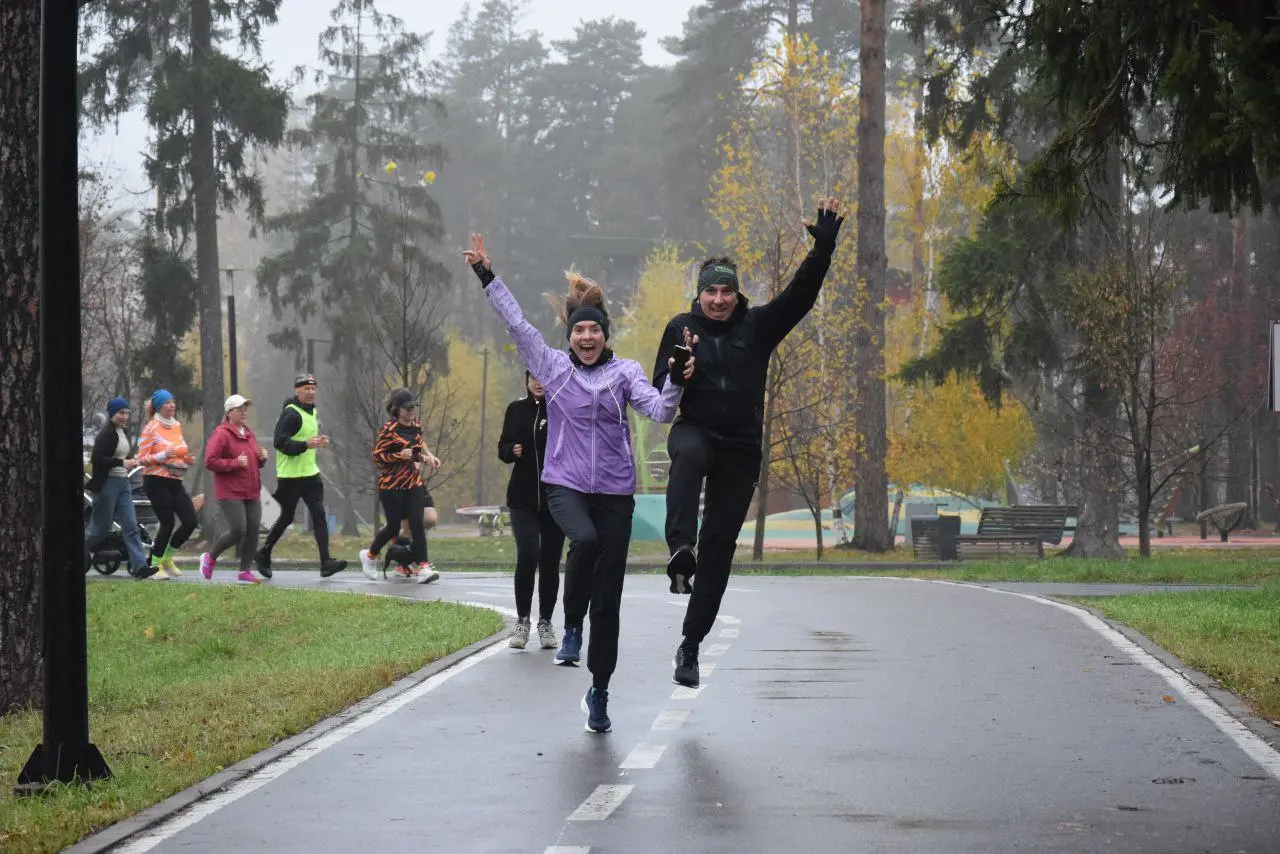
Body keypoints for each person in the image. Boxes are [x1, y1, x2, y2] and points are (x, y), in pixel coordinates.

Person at [464, 232, 695, 734]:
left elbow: (660, 411)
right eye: (579, 331)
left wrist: (676, 378)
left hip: (615, 495)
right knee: (583, 542)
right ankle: (570, 625)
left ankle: (599, 692)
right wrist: (486, 274)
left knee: (608, 604)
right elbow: (516, 323)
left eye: (594, 330)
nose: (586, 338)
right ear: (569, 335)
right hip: (564, 485)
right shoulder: (551, 367)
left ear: (605, 335)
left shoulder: (626, 373)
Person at [652, 199, 845, 689]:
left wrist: (822, 250)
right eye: (710, 291)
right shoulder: (680, 328)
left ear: (737, 294)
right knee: (688, 454)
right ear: (699, 294)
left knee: (719, 548)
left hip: (740, 447)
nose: (718, 300)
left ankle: (690, 645)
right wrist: (678, 371)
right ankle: (680, 549)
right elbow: (660, 388)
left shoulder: (756, 327)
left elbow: (799, 298)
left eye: (726, 291)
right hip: (696, 429)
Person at [255, 374, 348, 578]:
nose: (310, 392)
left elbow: (306, 439)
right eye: (306, 388)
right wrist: (305, 444)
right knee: (286, 518)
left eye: (313, 388)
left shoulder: (312, 411)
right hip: (291, 477)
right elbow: (280, 443)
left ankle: (326, 562)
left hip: (310, 474)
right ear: (297, 391)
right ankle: (263, 552)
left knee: (319, 516)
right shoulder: (290, 414)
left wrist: (319, 442)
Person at [497, 371, 564, 650]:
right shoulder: (516, 409)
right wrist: (510, 450)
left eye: (543, 377)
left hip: (556, 497)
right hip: (522, 498)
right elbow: (502, 447)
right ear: (526, 381)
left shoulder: (562, 408)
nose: (538, 382)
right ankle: (522, 622)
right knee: (528, 555)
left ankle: (545, 623)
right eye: (533, 377)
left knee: (550, 560)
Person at [358, 388, 440, 583]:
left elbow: (415, 453)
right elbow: (377, 457)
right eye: (407, 408)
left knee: (417, 523)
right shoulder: (389, 429)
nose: (411, 411)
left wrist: (426, 459)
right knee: (394, 528)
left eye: (413, 407)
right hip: (391, 485)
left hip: (412, 482)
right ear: (397, 410)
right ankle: (369, 555)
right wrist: (398, 455)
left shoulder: (416, 426)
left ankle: (423, 567)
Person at [201, 394, 269, 584]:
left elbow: (252, 462)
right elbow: (210, 461)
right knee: (238, 530)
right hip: (230, 492)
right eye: (240, 409)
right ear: (229, 412)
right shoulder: (221, 434)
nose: (244, 412)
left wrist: (261, 459)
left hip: (251, 490)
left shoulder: (248, 433)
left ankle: (244, 572)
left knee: (253, 531)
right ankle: (210, 558)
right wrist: (235, 463)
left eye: (245, 408)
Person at [85, 396, 155, 579]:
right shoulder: (106, 434)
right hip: (107, 484)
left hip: (123, 483)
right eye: (120, 413)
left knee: (131, 525)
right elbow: (97, 458)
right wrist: (121, 462)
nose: (124, 416)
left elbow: (120, 457)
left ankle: (139, 567)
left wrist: (131, 461)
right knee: (100, 528)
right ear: (111, 414)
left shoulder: (121, 432)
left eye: (126, 413)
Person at [138, 389, 198, 581]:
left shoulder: (176, 425)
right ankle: (155, 565)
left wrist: (187, 459)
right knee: (168, 522)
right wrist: (163, 455)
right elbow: (141, 459)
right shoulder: (151, 428)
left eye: (172, 401)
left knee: (190, 521)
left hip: (175, 480)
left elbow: (179, 452)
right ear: (158, 407)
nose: (171, 405)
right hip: (155, 481)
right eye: (167, 402)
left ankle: (167, 558)